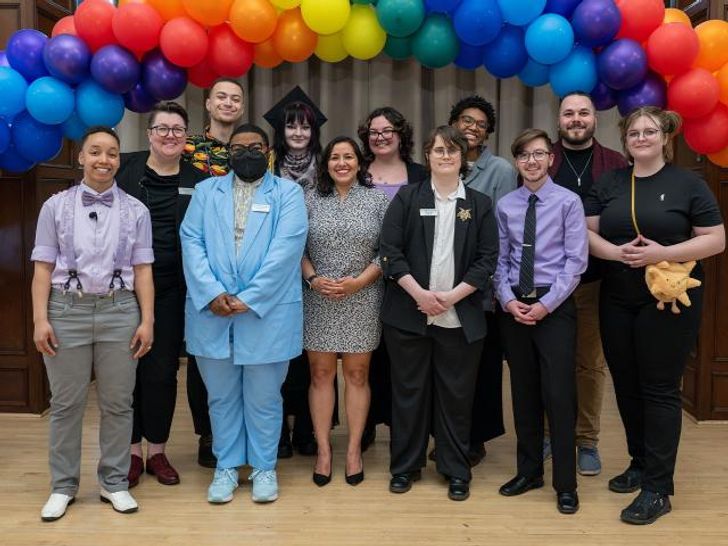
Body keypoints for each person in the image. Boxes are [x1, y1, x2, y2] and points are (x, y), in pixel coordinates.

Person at [584, 106, 724, 524]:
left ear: (666, 138)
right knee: (625, 385)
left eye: (650, 131)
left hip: (668, 302)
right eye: (634, 132)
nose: (641, 137)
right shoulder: (608, 182)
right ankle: (640, 462)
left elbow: (716, 240)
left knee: (660, 389)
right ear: (625, 140)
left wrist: (662, 253)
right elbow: (587, 232)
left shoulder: (688, 184)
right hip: (618, 296)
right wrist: (615, 252)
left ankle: (659, 488)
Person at [180, 123, 307, 505]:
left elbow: (286, 250)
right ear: (228, 153)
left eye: (254, 147)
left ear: (267, 150)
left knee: (265, 397)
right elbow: (192, 240)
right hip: (212, 311)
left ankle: (265, 467)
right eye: (238, 148)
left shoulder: (288, 193)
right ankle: (226, 468)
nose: (246, 153)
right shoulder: (206, 191)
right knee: (220, 397)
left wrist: (249, 297)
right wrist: (213, 292)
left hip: (266, 313)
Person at [32, 127, 154, 521]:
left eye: (113, 153)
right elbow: (42, 269)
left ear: (120, 160)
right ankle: (63, 486)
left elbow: (143, 271)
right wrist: (39, 319)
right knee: (66, 405)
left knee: (118, 403)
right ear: (81, 157)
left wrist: (147, 319)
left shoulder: (137, 210)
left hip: (120, 311)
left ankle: (114, 482)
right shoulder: (54, 206)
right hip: (66, 311)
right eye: (96, 152)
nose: (104, 160)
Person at [380, 126, 498, 502]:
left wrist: (450, 298)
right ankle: (405, 467)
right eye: (437, 150)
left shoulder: (479, 204)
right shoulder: (407, 198)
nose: (445, 156)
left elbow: (487, 260)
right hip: (409, 314)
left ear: (463, 158)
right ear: (427, 156)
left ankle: (455, 469)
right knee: (409, 394)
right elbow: (390, 252)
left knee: (456, 397)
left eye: (452, 150)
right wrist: (420, 295)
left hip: (458, 317)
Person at [494, 128, 587, 515]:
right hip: (516, 306)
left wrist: (546, 305)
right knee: (524, 392)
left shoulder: (569, 202)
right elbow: (499, 260)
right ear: (516, 162)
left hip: (555, 306)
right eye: (523, 156)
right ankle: (529, 471)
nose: (531, 162)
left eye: (538, 154)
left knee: (559, 395)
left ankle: (565, 483)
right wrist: (508, 300)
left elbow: (576, 261)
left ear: (551, 159)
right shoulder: (506, 205)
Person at [116, 102, 207, 488]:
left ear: (185, 138)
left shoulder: (200, 180)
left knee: (162, 371)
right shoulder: (124, 170)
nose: (169, 135)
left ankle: (157, 450)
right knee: (125, 371)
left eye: (177, 130)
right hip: (122, 287)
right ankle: (131, 451)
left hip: (173, 289)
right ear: (149, 133)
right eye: (162, 128)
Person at [546, 92, 628, 476]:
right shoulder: (541, 158)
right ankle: (551, 433)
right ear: (558, 119)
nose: (576, 119)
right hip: (546, 281)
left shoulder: (615, 163)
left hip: (595, 281)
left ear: (595, 118)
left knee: (589, 365)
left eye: (583, 113)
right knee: (549, 361)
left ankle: (586, 440)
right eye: (569, 113)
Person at [303, 136, 390, 487]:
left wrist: (359, 282)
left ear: (359, 162)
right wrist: (312, 280)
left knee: (357, 376)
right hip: (318, 297)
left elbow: (388, 251)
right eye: (335, 157)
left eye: (348, 156)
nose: (342, 162)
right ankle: (324, 450)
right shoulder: (309, 199)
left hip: (363, 296)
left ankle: (353, 449)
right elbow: (294, 247)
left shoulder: (377, 200)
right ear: (325, 164)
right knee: (320, 375)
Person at [447, 96, 517, 465]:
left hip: (483, 289)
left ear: (488, 131)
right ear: (453, 124)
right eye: (465, 120)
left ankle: (476, 438)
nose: (471, 127)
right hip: (441, 287)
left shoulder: (501, 170)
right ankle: (447, 433)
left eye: (479, 123)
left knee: (482, 368)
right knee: (448, 367)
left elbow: (502, 232)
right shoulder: (443, 161)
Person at [356, 106, 427, 450]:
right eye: (374, 132)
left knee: (404, 361)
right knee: (367, 357)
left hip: (408, 278)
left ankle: (405, 428)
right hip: (363, 278)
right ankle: (366, 424)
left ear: (401, 135)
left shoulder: (419, 174)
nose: (380, 137)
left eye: (387, 131)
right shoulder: (357, 172)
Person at [182, 77, 245, 468]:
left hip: (239, 262)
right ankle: (207, 433)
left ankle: (240, 429)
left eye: (235, 98)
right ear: (208, 103)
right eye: (221, 96)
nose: (228, 103)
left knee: (240, 353)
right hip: (197, 258)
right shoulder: (187, 147)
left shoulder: (251, 149)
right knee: (201, 353)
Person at [264, 86, 327, 458]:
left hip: (318, 267)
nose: (299, 133)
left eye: (305, 126)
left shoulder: (328, 163)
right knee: (278, 354)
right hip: (276, 269)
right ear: (282, 131)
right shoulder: (268, 164)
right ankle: (277, 432)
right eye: (292, 127)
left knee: (311, 356)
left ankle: (306, 429)